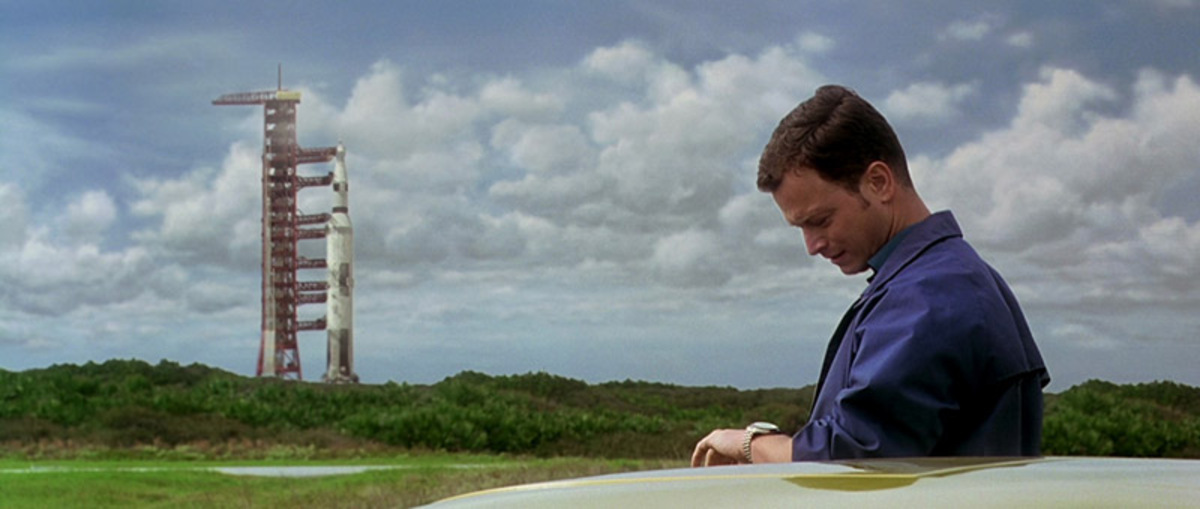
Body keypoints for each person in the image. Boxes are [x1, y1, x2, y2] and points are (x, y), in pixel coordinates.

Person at [692, 85, 1049, 467]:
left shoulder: (929, 293)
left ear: (878, 182)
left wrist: (749, 444)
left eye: (820, 220)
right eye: (801, 228)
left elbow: (853, 456)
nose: (812, 245)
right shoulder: (954, 276)